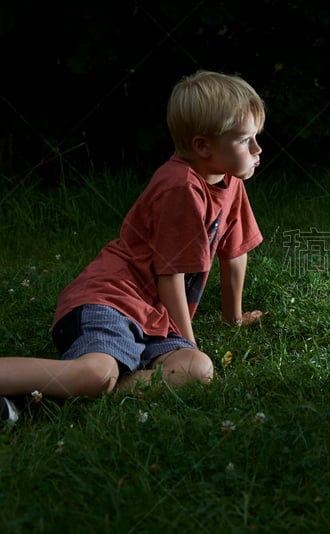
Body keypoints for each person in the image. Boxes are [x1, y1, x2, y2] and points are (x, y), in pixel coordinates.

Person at [1, 70, 266, 423]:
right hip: (110, 300)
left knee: (198, 370)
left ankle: (37, 401)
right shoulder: (181, 188)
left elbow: (235, 251)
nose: (257, 149)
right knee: (97, 374)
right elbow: (169, 275)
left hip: (155, 316)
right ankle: (66, 388)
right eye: (245, 140)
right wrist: (189, 340)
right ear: (203, 146)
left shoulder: (230, 182)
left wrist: (232, 319)